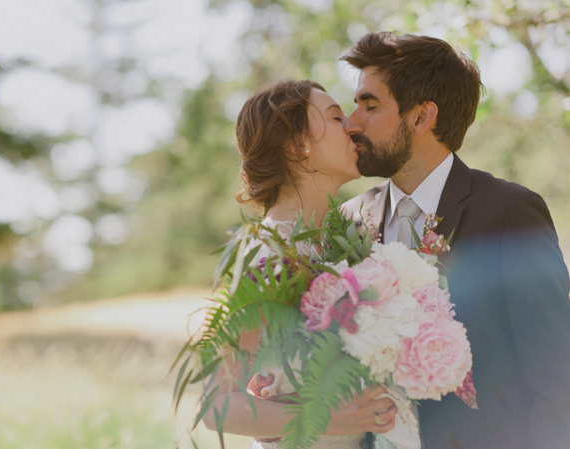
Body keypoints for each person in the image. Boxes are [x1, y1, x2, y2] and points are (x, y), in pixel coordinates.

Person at [339, 31, 570, 449]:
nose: (352, 124)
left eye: (370, 106)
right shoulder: (347, 221)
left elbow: (559, 380)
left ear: (421, 116)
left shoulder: (511, 215)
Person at [202, 79, 398, 448]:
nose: (353, 126)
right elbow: (216, 403)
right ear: (296, 145)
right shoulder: (269, 254)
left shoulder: (341, 244)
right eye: (336, 117)